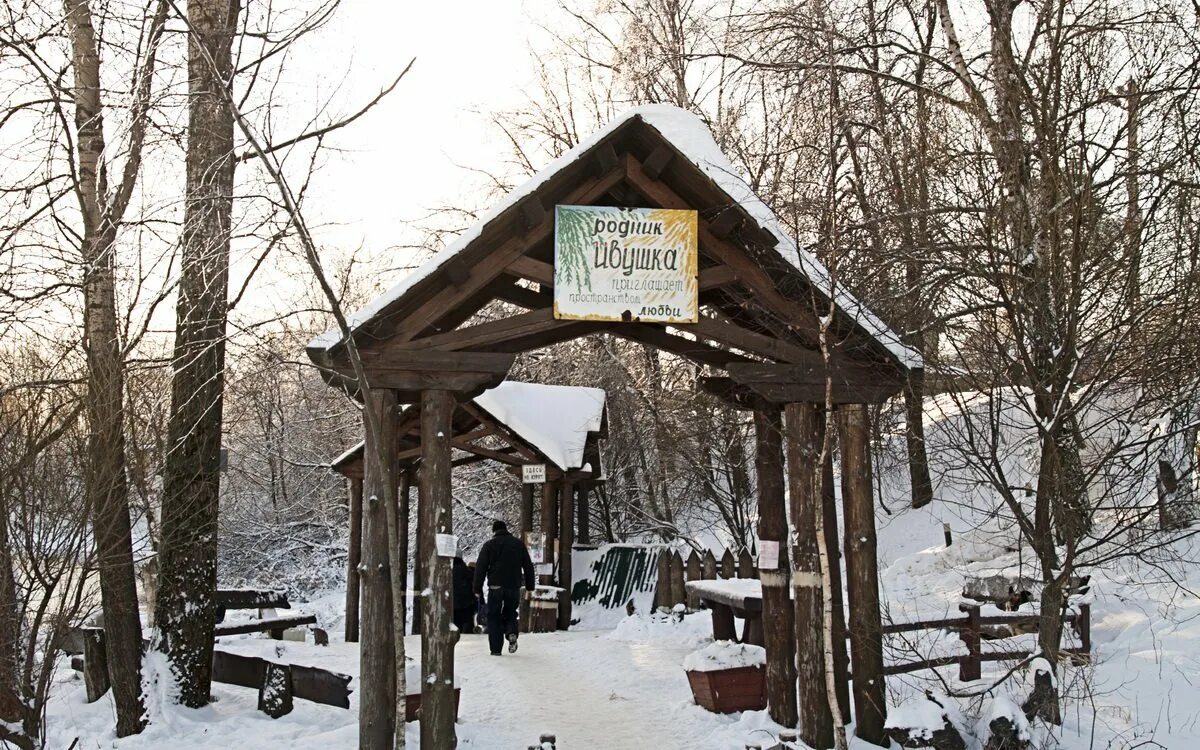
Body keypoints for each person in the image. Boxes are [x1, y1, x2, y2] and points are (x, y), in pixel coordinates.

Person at [473, 520, 535, 655]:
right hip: (513, 585)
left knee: (493, 616)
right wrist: (530, 586)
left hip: (495, 586)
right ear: (506, 529)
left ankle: (495, 649)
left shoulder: (489, 545)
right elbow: (528, 566)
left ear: (494, 531)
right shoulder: (518, 544)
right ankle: (511, 632)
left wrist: (477, 588)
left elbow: (480, 568)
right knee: (511, 612)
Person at [452, 556, 477, 634]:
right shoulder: (466, 570)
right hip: (467, 602)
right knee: (467, 621)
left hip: (453, 603)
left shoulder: (448, 570)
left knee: (456, 622)